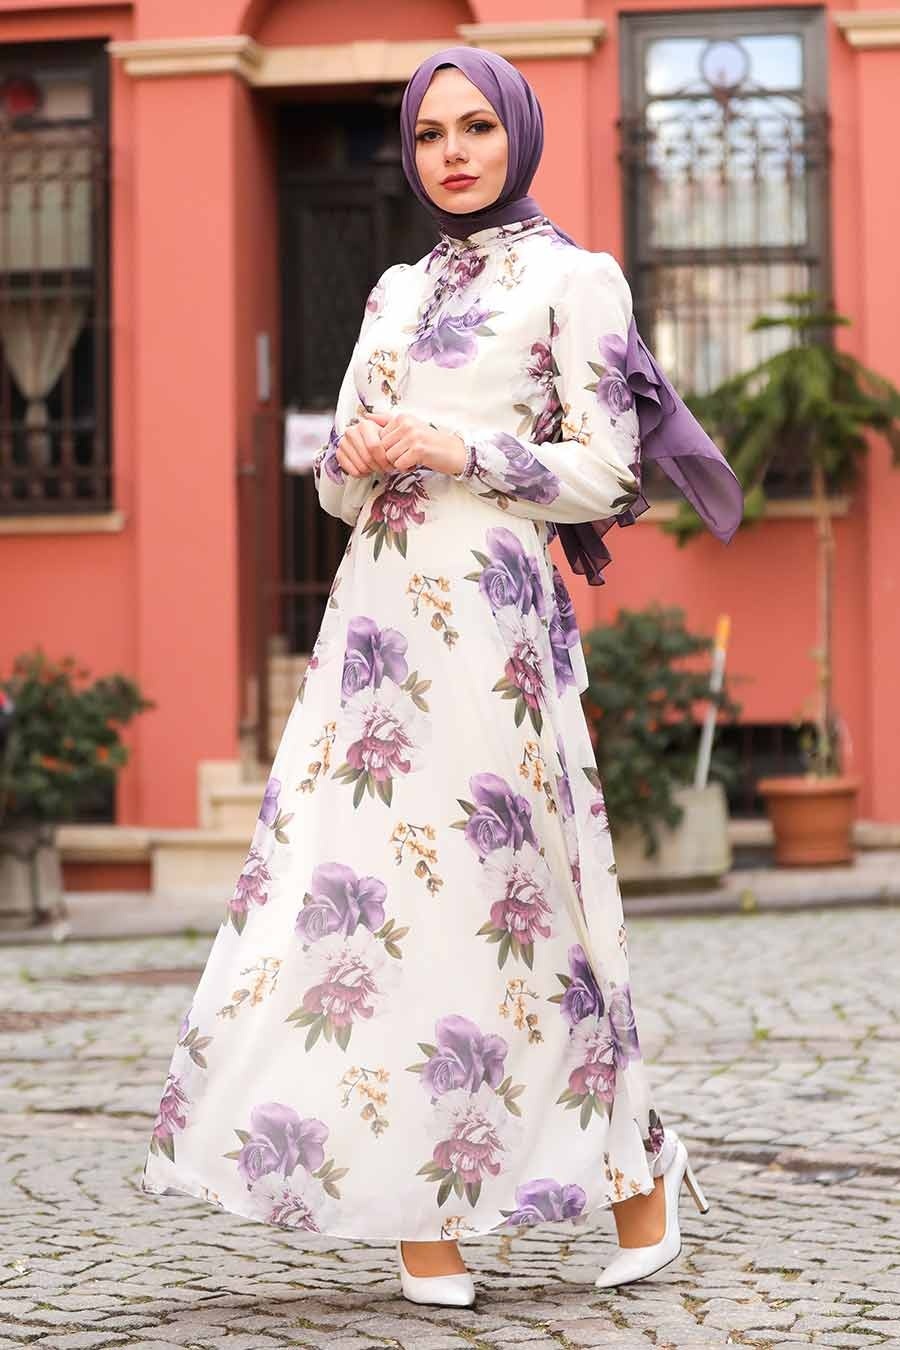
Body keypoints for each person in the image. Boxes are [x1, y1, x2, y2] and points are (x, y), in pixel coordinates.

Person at [140, 47, 740, 1310]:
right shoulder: (395, 290)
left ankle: (637, 1174)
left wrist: (457, 446)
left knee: (525, 902)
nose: (452, 153)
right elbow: (336, 482)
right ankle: (427, 1215)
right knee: (368, 904)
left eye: (475, 127)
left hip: (496, 625)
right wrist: (358, 454)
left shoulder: (576, 279)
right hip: (376, 637)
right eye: (428, 133)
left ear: (517, 134)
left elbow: (608, 472)